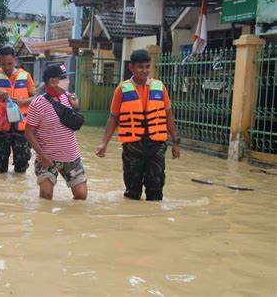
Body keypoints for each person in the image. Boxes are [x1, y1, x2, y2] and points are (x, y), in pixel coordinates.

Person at [96, 49, 180, 201]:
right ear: (131, 68)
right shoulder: (122, 89)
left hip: (156, 144)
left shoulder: (160, 88)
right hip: (133, 145)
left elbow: (168, 115)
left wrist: (175, 141)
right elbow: (113, 118)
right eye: (140, 67)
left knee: (156, 187)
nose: (144, 70)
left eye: (147, 66)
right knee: (132, 189)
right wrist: (104, 143)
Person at [25, 63, 87, 200]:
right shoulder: (37, 104)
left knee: (81, 196)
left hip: (71, 156)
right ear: (53, 81)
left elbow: (76, 123)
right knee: (46, 197)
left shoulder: (69, 97)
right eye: (63, 78)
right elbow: (28, 132)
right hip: (47, 157)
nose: (67, 81)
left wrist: (76, 107)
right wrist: (42, 156)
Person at [0, 46, 36, 174]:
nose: (7, 67)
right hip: (0, 127)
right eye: (3, 64)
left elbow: (36, 97)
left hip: (21, 127)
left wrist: (23, 102)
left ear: (15, 60)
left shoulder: (26, 76)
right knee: (0, 166)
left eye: (10, 64)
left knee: (22, 165)